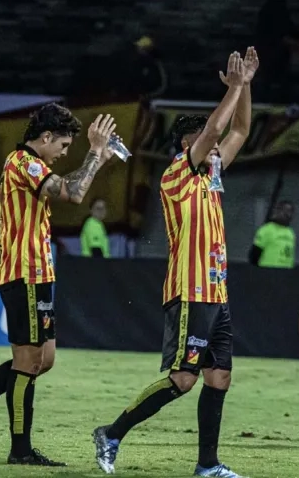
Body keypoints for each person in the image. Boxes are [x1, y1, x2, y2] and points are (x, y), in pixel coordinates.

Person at [92, 48, 258, 478]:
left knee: (218, 378)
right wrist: (233, 88)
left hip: (217, 294)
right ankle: (111, 433)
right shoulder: (176, 174)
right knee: (183, 379)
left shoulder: (211, 175)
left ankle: (208, 465)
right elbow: (220, 127)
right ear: (189, 144)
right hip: (190, 291)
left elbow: (240, 127)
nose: (219, 147)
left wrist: (247, 87)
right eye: (209, 141)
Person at [0, 104, 121, 466]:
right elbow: (72, 193)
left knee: (44, 359)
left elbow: (70, 185)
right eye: (63, 145)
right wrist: (93, 152)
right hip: (21, 271)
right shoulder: (22, 162)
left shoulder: (35, 167)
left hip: (38, 273)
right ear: (45, 137)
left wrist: (99, 156)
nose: (64, 152)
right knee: (27, 360)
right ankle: (20, 450)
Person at [249, 200, 295, 268]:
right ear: (277, 211)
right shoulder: (266, 230)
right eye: (285, 211)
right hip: (268, 272)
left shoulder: (290, 232)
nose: (288, 215)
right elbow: (254, 255)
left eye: (290, 212)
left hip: (286, 273)